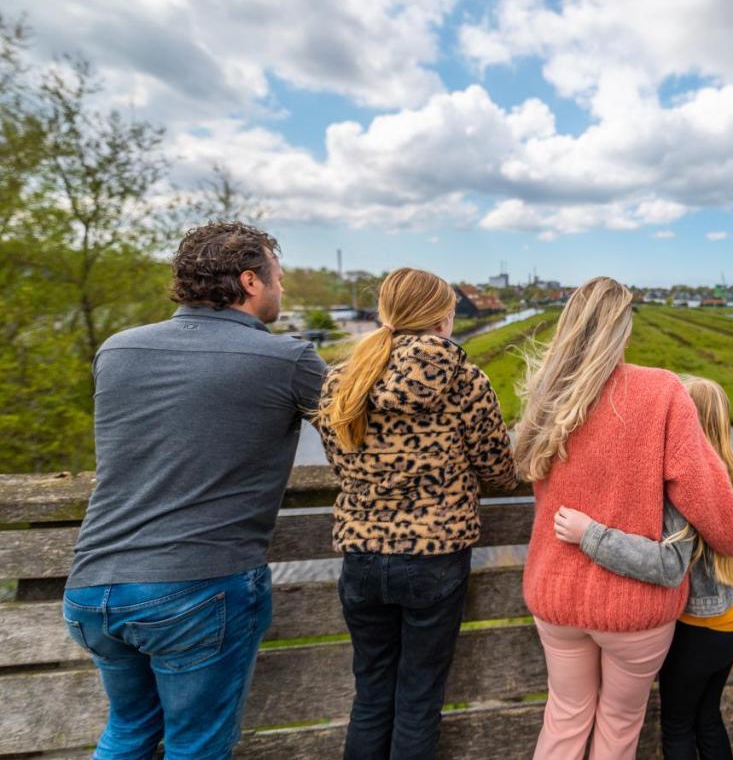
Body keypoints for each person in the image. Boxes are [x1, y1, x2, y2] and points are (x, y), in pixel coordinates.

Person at [62, 222, 326, 759]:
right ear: (251, 282)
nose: (283, 291)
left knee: (128, 732)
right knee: (196, 747)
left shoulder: (117, 350)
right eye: (278, 279)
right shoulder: (288, 358)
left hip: (92, 587)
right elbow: (362, 433)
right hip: (195, 586)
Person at [518, 276, 733, 760]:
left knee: (564, 715)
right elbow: (702, 491)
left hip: (554, 593)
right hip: (634, 607)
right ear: (623, 330)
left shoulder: (548, 397)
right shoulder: (662, 391)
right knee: (619, 724)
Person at [314, 267, 518, 760]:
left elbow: (340, 458)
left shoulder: (343, 379)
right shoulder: (464, 379)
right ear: (444, 318)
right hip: (435, 554)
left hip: (361, 555)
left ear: (385, 313)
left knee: (371, 695)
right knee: (419, 697)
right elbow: (498, 469)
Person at [554, 376, 733, 760]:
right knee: (709, 718)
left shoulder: (683, 491)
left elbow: (668, 564)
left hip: (700, 629)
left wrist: (591, 535)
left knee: (678, 726)